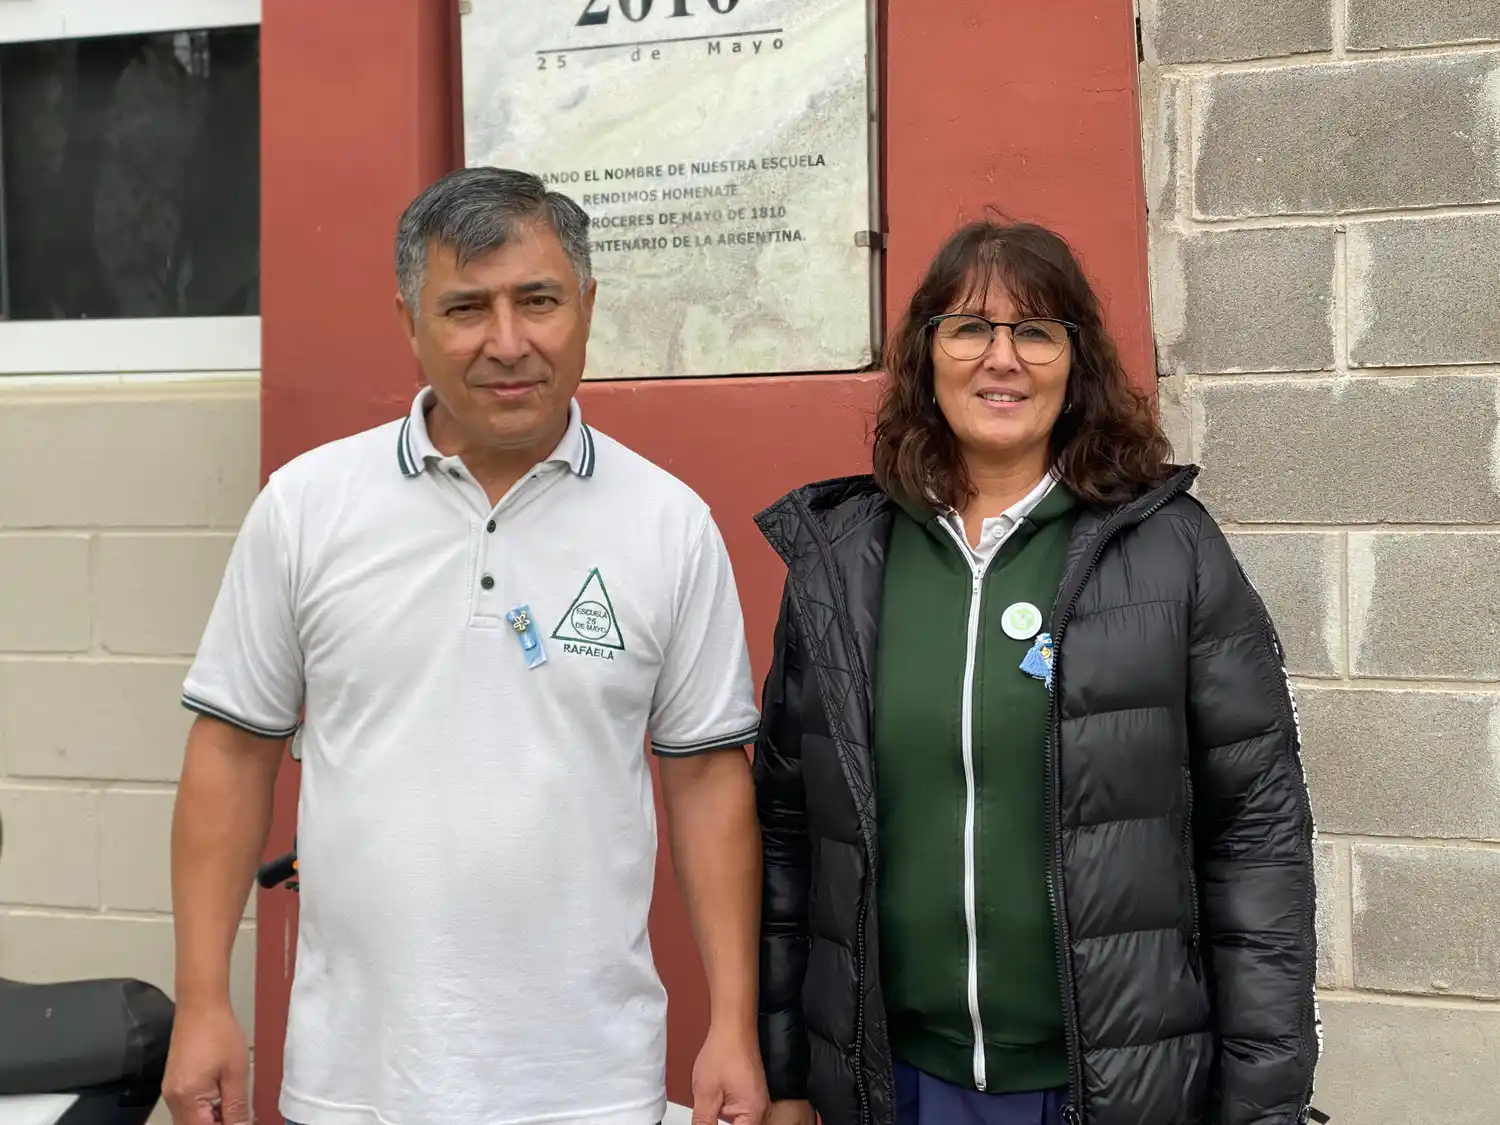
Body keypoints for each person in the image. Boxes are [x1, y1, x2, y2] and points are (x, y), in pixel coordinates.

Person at [163, 167, 770, 1125]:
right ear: (409, 321)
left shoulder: (669, 523)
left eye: (539, 301)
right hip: (357, 1081)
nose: (508, 342)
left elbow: (707, 782)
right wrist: (202, 1000)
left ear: (587, 307)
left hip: (588, 1085)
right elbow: (232, 755)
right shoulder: (307, 508)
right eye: (465, 308)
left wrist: (734, 1021)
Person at [751, 220, 1323, 1125]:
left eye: (1036, 331)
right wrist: (787, 1074)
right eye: (969, 327)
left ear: (1076, 359)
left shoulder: (1173, 553)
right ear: (926, 355)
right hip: (897, 1085)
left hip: (1113, 1088)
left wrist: (1262, 1103)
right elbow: (788, 837)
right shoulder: (843, 564)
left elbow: (1256, 838)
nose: (1002, 357)